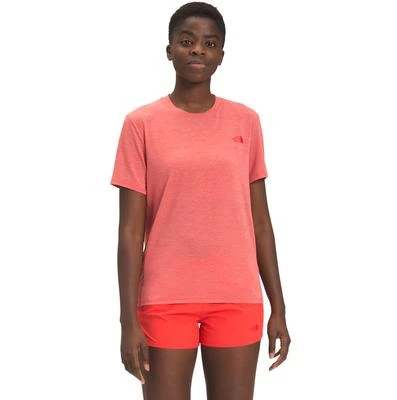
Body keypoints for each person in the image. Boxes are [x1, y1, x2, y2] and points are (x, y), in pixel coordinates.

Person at [110, 2, 291, 399]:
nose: (197, 50)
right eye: (187, 40)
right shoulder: (140, 124)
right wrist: (127, 321)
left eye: (210, 43)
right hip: (163, 297)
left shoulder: (246, 121)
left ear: (221, 55)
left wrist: (278, 305)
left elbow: (261, 222)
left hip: (237, 296)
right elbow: (130, 232)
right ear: (169, 49)